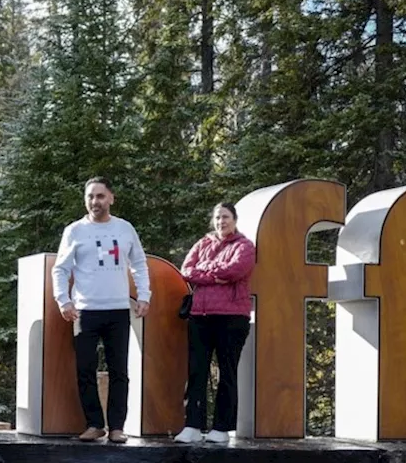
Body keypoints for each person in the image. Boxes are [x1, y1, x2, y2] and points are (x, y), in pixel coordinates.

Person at [52, 177, 151, 444]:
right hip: (84, 310)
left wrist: (144, 295)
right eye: (90, 197)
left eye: (100, 196)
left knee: (120, 370)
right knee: (85, 369)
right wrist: (63, 300)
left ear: (111, 198)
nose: (95, 202)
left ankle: (117, 427)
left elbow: (139, 263)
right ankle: (94, 424)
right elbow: (60, 269)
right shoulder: (74, 231)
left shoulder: (125, 228)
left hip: (118, 309)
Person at [174, 202, 256, 444]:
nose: (222, 221)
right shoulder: (203, 243)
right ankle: (192, 425)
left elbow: (235, 271)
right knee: (197, 370)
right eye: (218, 217)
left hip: (232, 318)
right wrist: (214, 274)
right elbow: (186, 270)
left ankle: (221, 428)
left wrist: (205, 271)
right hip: (200, 316)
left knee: (227, 373)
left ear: (235, 219)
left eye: (226, 217)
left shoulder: (245, 246)